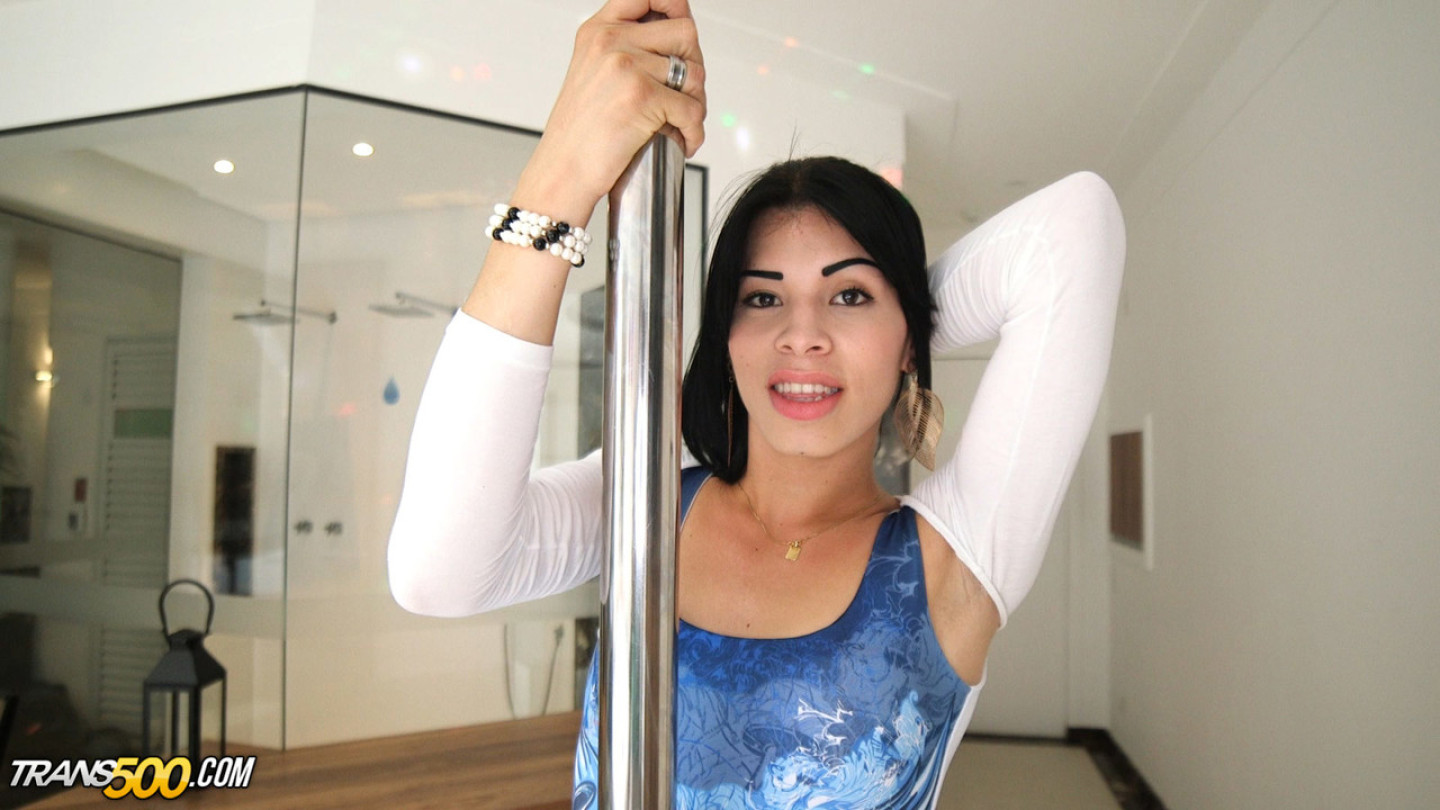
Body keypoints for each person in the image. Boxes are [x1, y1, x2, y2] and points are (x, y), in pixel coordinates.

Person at [386, 0, 1125, 806]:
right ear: (726, 331)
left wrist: (900, 325)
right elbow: (437, 575)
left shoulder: (955, 555)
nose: (801, 336)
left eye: (848, 296)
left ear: (911, 339)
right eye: (763, 299)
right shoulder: (645, 500)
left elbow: (1070, 231)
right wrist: (562, 171)